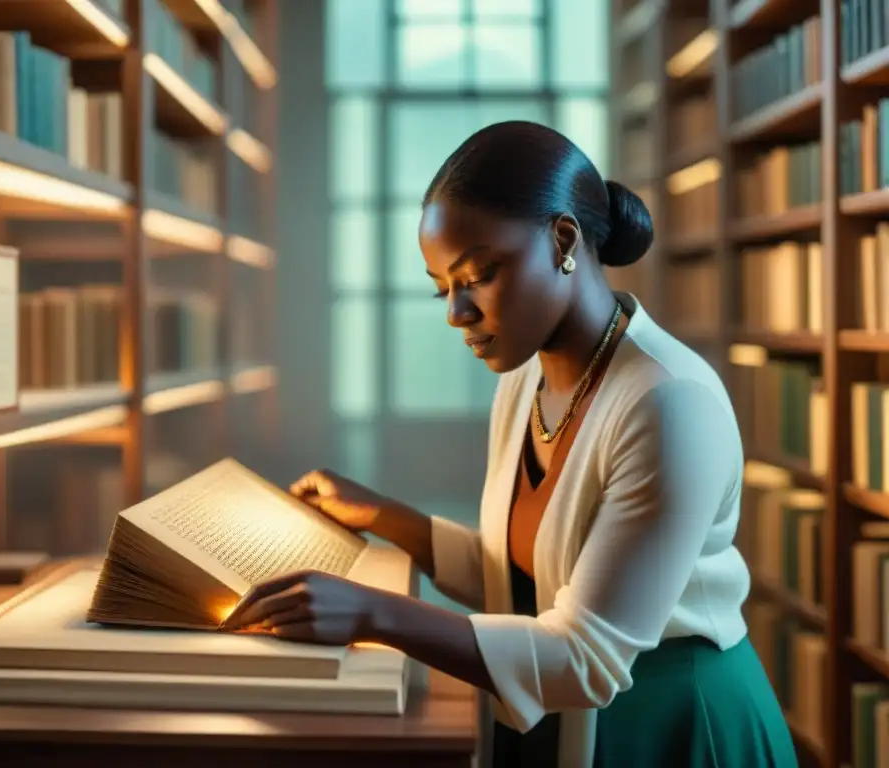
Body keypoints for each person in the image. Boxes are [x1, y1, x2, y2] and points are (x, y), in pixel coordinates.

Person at [223, 121, 797, 767]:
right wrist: (385, 517)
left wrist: (375, 614)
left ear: (562, 241)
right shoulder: (527, 377)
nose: (456, 313)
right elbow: (528, 580)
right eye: (444, 287)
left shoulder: (670, 401)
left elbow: (587, 657)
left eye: (480, 275)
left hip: (668, 728)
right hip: (566, 722)